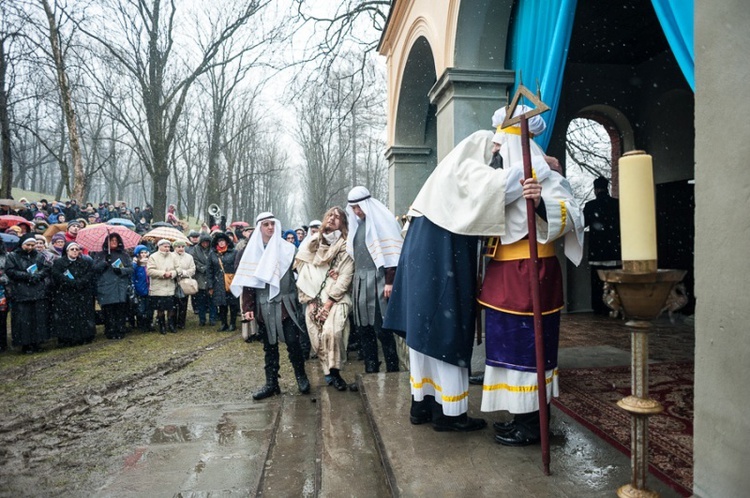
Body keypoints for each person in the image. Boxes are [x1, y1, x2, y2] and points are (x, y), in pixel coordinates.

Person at [476, 106, 584, 446]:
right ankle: (520, 417)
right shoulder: (497, 179)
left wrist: (539, 204)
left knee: (528, 351)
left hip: (529, 273)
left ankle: (533, 426)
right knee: (508, 351)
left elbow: (572, 216)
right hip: (502, 275)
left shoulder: (546, 177)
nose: (496, 151)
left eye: (501, 144)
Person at [232, 212, 310, 399]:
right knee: (270, 345)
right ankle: (271, 383)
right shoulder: (250, 251)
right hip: (263, 304)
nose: (270, 227)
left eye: (272, 224)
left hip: (287, 302)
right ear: (259, 227)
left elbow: (303, 272)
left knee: (293, 342)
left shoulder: (288, 249)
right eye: (265, 224)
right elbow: (248, 283)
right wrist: (248, 308)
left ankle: (301, 377)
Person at [295, 207, 355, 391]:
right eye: (330, 215)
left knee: (333, 332)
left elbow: (345, 277)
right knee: (317, 338)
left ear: (343, 223)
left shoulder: (346, 246)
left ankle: (335, 372)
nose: (332, 219)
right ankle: (328, 373)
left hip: (335, 298)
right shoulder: (312, 244)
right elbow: (303, 273)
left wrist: (328, 304)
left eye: (337, 217)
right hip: (313, 297)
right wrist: (311, 301)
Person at [345, 186, 402, 374]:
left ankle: (392, 368)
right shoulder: (358, 226)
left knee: (381, 328)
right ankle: (371, 368)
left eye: (358, 207)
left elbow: (392, 254)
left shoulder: (381, 222)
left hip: (378, 281)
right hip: (361, 282)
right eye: (353, 208)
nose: (356, 211)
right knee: (364, 327)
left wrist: (389, 281)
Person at [4, 233, 51, 353]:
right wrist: (27, 276)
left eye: (32, 245)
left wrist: (38, 276)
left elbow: (45, 268)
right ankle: (25, 344)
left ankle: (37, 342)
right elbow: (10, 271)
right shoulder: (13, 256)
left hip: (37, 290)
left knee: (38, 319)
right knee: (23, 320)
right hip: (21, 291)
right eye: (28, 245)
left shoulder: (39, 256)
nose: (30, 247)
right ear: (22, 244)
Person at [583, 176, 621, 315]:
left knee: (598, 282)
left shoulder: (591, 206)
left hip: (597, 251)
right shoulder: (617, 204)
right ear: (607, 188)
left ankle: (599, 308)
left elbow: (583, 223)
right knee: (615, 281)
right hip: (615, 251)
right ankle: (616, 307)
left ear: (595, 190)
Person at [50, 242, 96, 346]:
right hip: (66, 293)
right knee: (67, 317)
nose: (75, 251)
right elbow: (57, 275)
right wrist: (70, 283)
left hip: (81, 293)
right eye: (72, 249)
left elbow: (89, 274)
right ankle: (67, 338)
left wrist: (80, 282)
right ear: (66, 251)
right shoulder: (60, 263)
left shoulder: (83, 262)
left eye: (77, 249)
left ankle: (83, 336)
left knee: (82, 316)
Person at [93, 233, 134, 340]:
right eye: (112, 240)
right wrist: (105, 262)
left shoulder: (124, 255)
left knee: (120, 310)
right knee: (108, 310)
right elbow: (95, 269)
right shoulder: (100, 255)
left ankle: (120, 329)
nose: (114, 242)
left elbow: (130, 269)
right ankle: (110, 330)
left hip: (120, 286)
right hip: (106, 286)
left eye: (116, 240)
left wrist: (121, 270)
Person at [207, 232, 240, 331]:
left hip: (231, 281)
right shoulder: (213, 254)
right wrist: (210, 284)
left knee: (233, 304)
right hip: (218, 282)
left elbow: (237, 266)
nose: (221, 243)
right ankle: (223, 323)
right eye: (219, 241)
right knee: (221, 304)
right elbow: (209, 270)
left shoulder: (234, 252)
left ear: (227, 242)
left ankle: (232, 324)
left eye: (223, 241)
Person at [147, 239, 179, 334]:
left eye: (168, 246)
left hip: (170, 286)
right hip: (158, 287)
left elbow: (178, 269)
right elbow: (150, 271)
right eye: (165, 246)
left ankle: (170, 324)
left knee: (171, 307)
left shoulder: (173, 256)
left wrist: (172, 273)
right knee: (160, 308)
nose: (167, 248)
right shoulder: (153, 257)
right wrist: (163, 274)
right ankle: (162, 326)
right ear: (159, 246)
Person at [188, 233, 216, 326]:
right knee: (201, 301)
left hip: (211, 277)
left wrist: (209, 268)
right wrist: (203, 268)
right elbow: (194, 260)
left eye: (207, 242)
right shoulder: (196, 249)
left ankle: (212, 318)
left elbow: (215, 260)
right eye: (203, 242)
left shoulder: (213, 249)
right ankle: (202, 319)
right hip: (200, 277)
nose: (205, 244)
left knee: (212, 301)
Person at [172, 240, 196, 329]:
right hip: (173, 282)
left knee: (183, 303)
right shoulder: (171, 256)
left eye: (182, 247)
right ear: (174, 248)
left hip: (185, 282)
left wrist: (184, 273)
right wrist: (176, 273)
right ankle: (173, 322)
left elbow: (193, 269)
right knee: (174, 304)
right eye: (178, 247)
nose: (181, 249)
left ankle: (181, 322)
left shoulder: (189, 257)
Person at [131, 245, 153, 332]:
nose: (143, 255)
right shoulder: (135, 264)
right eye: (141, 253)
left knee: (149, 308)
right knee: (141, 309)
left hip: (149, 288)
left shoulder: (150, 263)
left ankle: (149, 323)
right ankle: (142, 325)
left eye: (145, 252)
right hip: (140, 288)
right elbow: (133, 277)